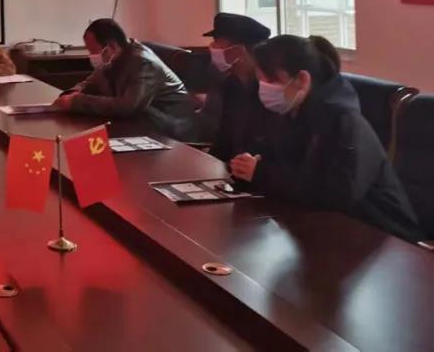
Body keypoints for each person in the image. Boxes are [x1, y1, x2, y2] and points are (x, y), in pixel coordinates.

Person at [229, 35, 423, 243]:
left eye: (271, 81)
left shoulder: (342, 120)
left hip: (380, 234)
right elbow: (269, 151)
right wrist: (245, 164)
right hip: (322, 227)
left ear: (302, 79)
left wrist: (261, 173)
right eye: (261, 81)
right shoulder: (292, 110)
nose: (264, 88)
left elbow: (335, 194)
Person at [52, 19, 197, 140]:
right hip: (141, 123)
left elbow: (129, 106)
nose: (91, 56)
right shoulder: (112, 59)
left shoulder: (143, 63)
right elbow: (89, 83)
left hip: (170, 128)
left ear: (111, 46)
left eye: (93, 51)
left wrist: (76, 102)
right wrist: (71, 94)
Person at [201, 13, 279, 162]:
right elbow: (224, 140)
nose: (213, 49)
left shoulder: (271, 90)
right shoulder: (230, 85)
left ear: (239, 51)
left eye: (218, 45)